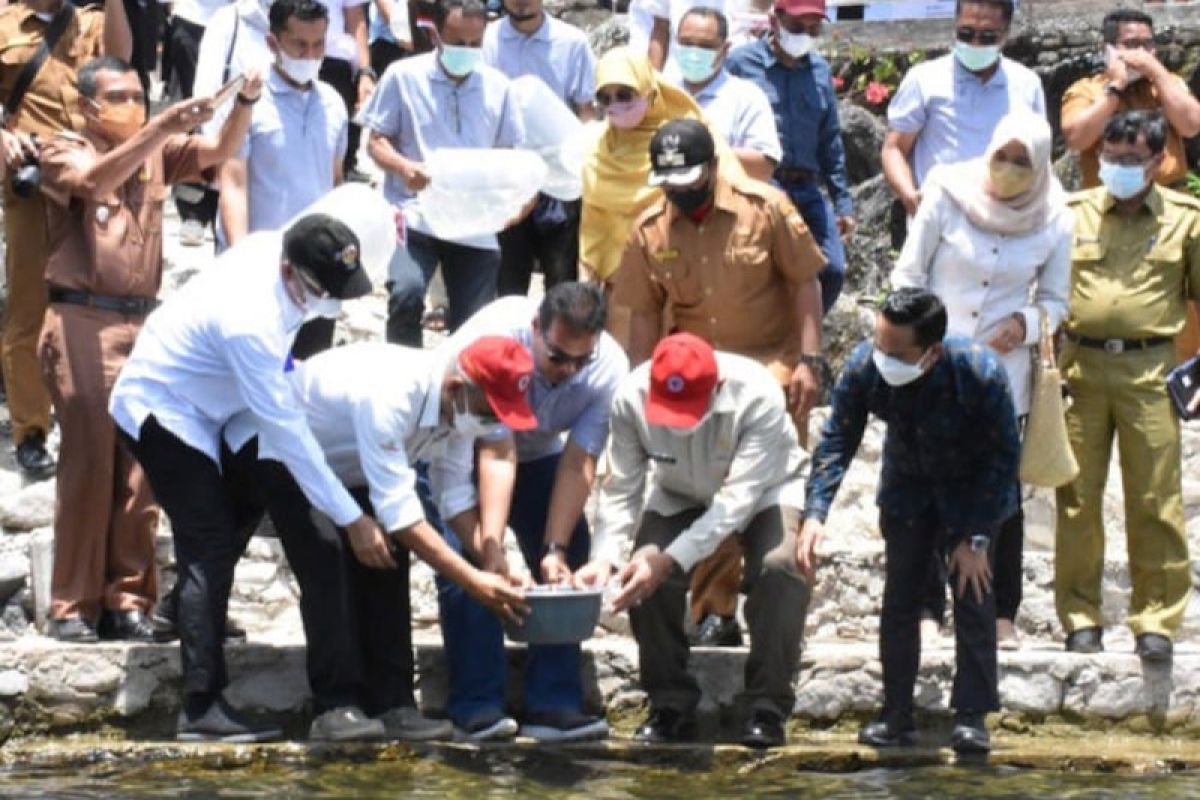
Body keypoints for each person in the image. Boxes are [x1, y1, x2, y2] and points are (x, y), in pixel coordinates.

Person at [109, 214, 381, 742]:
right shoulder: (248, 319)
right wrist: (351, 519)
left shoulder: (282, 251)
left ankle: (180, 610)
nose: (327, 305)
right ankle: (201, 706)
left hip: (220, 401)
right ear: (288, 270)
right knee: (206, 538)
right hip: (161, 406)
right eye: (322, 293)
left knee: (250, 494)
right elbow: (292, 438)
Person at [37, 57, 258, 643]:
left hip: (143, 321)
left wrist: (244, 103)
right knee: (89, 463)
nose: (133, 104)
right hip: (83, 316)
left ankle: (128, 598)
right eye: (118, 95)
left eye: (139, 94)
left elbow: (215, 152)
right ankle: (72, 604)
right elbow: (92, 184)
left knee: (144, 466)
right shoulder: (64, 147)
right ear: (87, 105)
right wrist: (158, 128)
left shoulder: (155, 148)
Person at [225, 336, 533, 742]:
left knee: (389, 556)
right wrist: (472, 582)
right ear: (457, 388)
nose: (494, 425)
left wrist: (490, 559)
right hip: (285, 453)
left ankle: (394, 703)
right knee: (328, 556)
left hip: (354, 468)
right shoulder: (392, 394)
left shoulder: (461, 413)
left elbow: (453, 495)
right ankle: (336, 705)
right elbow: (401, 512)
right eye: (491, 411)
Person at [612, 118, 824, 647]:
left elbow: (804, 283)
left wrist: (810, 361)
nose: (679, 193)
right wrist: (645, 385)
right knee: (703, 493)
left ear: (710, 168)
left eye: (688, 181)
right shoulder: (649, 228)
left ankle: (774, 607)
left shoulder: (766, 208)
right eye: (669, 184)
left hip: (770, 370)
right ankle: (715, 610)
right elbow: (642, 314)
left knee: (762, 497)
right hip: (691, 380)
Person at [797, 288, 1020, 754]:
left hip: (970, 488)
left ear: (932, 351)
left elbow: (1003, 461)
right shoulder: (866, 366)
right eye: (880, 344)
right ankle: (896, 715)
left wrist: (976, 537)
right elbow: (837, 440)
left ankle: (972, 715)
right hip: (908, 489)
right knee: (901, 597)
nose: (883, 357)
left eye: (896, 351)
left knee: (974, 591)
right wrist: (816, 513)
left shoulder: (979, 373)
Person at [891, 111, 1072, 651]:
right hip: (932, 366)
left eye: (1023, 162)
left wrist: (1024, 326)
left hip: (1003, 374)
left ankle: (999, 611)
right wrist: (926, 337)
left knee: (1000, 496)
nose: (1011, 170)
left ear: (1039, 165)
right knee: (926, 487)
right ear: (987, 151)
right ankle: (928, 607)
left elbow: (1058, 301)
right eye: (1003, 157)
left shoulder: (1056, 215)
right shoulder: (946, 190)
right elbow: (908, 274)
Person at [596, 333, 812, 749]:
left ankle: (768, 705)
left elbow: (735, 505)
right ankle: (669, 703)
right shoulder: (629, 397)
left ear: (717, 387)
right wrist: (604, 557)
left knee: (781, 568)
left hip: (765, 490)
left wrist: (670, 560)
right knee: (641, 574)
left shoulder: (759, 394)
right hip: (678, 493)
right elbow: (621, 487)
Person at [435, 283, 627, 742]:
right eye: (558, 357)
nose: (568, 370)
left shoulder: (608, 370)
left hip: (539, 452)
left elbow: (580, 459)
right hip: (464, 446)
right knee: (470, 563)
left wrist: (554, 548)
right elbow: (496, 453)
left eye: (581, 361)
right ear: (536, 328)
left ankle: (553, 702)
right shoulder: (499, 332)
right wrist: (491, 547)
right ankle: (477, 704)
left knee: (573, 548)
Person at [1055, 111, 1200, 663]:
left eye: (1129, 160)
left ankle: (1157, 620)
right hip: (1079, 370)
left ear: (1158, 162)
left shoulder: (1186, 218)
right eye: (1109, 159)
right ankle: (1080, 618)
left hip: (1150, 370)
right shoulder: (1070, 214)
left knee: (1156, 499)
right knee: (1076, 500)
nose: (1116, 168)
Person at [0, 0, 131, 480]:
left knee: (101, 300)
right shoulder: (5, 24)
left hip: (91, 179)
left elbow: (121, 59)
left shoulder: (92, 21)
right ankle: (30, 431)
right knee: (29, 305)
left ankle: (98, 418)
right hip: (32, 183)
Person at [358, 0, 522, 347]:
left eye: (475, 44)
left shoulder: (500, 88)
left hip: (474, 224)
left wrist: (508, 200)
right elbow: (376, 140)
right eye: (458, 43)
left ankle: (455, 395)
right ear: (435, 35)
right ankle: (404, 380)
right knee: (406, 293)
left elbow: (511, 156)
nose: (467, 51)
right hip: (414, 214)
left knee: (473, 326)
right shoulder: (403, 77)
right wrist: (404, 168)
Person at [579, 45, 742, 346]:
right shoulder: (596, 148)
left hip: (687, 283)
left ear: (648, 91)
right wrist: (586, 280)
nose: (615, 105)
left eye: (625, 95)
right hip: (624, 288)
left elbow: (730, 193)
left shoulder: (683, 139)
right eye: (605, 98)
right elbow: (592, 223)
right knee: (632, 375)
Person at [726, 0, 853, 311]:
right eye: (797, 27)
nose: (805, 35)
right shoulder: (740, 64)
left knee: (832, 269)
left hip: (807, 187)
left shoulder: (820, 70)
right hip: (763, 184)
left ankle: (803, 339)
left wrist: (843, 204)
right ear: (775, 21)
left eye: (814, 28)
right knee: (768, 271)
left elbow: (830, 141)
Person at [882, 0, 1044, 221]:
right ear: (955, 25)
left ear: (1006, 34)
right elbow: (894, 149)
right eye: (966, 34)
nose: (975, 43)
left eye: (987, 37)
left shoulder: (1027, 84)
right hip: (939, 223)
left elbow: (1038, 158)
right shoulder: (924, 79)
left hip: (1006, 225)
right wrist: (910, 196)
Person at [482, 0, 595, 297]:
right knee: (508, 276)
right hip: (508, 175)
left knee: (560, 276)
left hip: (558, 177)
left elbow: (586, 111)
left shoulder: (573, 42)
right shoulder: (486, 39)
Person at [218, 0, 348, 244]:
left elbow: (335, 179)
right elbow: (233, 183)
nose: (310, 55)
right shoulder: (248, 101)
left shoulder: (334, 104)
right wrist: (241, 253)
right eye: (300, 45)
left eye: (318, 44)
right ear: (272, 43)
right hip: (259, 253)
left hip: (311, 259)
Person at [1061, 9, 1200, 191]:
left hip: (1168, 196)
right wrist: (1117, 86)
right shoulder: (1086, 90)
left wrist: (1157, 73)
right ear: (1108, 49)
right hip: (1107, 199)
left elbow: (1191, 126)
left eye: (1148, 44)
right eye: (1131, 44)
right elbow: (1076, 139)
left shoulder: (1168, 83)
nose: (1142, 53)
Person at [668, 6, 780, 182]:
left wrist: (703, 151)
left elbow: (763, 167)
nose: (694, 53)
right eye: (686, 43)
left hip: (727, 202)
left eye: (706, 46)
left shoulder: (747, 98)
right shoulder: (660, 94)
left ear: (725, 48)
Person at [163, 0, 230, 247]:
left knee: (231, 111)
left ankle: (221, 198)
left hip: (241, 22)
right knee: (190, 111)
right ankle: (190, 207)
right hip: (194, 21)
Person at [314, 0, 374, 182]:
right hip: (285, 56)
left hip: (333, 62)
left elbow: (355, 18)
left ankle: (343, 171)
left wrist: (365, 72)